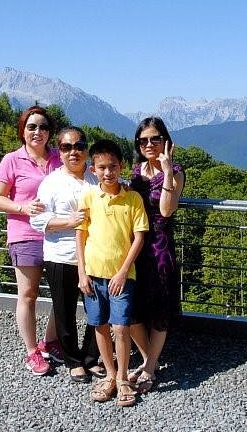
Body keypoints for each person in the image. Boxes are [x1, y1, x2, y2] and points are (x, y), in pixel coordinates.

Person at [75, 139, 149, 407]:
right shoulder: (89, 196)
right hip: (93, 274)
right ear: (93, 169)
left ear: (122, 167)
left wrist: (123, 271)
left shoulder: (133, 198)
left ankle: (122, 378)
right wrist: (82, 272)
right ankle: (109, 376)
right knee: (100, 325)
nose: (108, 172)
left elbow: (139, 237)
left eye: (113, 166)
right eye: (102, 167)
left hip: (122, 276)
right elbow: (80, 235)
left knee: (120, 326)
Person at [0, 105, 62, 375]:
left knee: (62, 293)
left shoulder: (59, 158)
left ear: (50, 132)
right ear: (23, 130)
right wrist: (23, 207)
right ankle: (32, 351)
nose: (37, 132)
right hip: (25, 235)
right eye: (32, 127)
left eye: (43, 127)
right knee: (28, 294)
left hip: (58, 235)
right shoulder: (12, 160)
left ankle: (50, 341)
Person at [30, 126, 104, 383]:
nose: (74, 152)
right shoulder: (51, 183)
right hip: (60, 255)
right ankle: (73, 360)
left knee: (97, 309)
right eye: (66, 147)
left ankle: (92, 357)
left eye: (79, 146)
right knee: (64, 310)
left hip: (94, 256)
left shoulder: (96, 178)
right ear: (59, 151)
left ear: (86, 149)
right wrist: (69, 221)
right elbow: (37, 220)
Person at [128, 117, 185, 393]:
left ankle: (149, 368)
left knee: (160, 308)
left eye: (155, 139)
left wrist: (167, 170)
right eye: (143, 140)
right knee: (132, 307)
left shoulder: (176, 171)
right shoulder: (136, 171)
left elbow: (165, 209)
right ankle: (150, 358)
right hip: (135, 244)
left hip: (159, 246)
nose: (149, 144)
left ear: (165, 140)